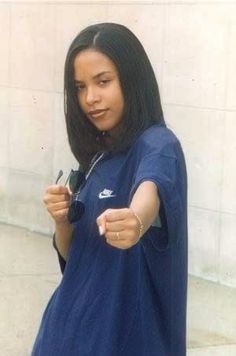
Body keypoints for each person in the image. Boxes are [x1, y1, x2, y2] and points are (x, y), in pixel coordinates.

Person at [32, 23, 188, 356]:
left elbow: (151, 187)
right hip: (64, 335)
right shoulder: (98, 155)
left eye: (103, 81)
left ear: (132, 80)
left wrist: (136, 219)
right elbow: (74, 256)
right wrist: (62, 219)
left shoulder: (158, 144)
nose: (90, 98)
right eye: (79, 87)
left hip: (123, 340)